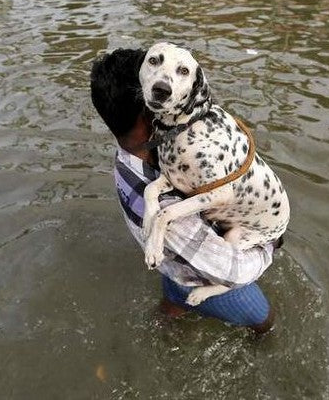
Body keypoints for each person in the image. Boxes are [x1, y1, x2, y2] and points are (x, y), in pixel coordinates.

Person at [90, 48, 275, 333]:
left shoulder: (128, 157)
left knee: (172, 305)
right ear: (151, 109)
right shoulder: (170, 214)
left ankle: (164, 319)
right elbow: (232, 271)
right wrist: (270, 245)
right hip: (195, 271)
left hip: (170, 261)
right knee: (265, 322)